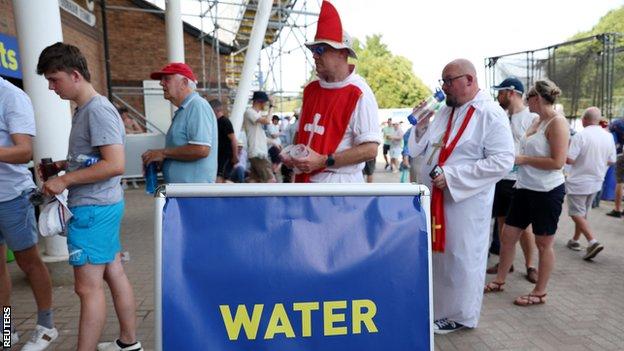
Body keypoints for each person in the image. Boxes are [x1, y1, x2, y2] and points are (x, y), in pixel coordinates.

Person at [36, 42, 142, 351]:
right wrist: (64, 167)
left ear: (74, 74)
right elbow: (97, 159)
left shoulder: (97, 110)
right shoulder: (87, 109)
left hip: (93, 209)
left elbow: (115, 164)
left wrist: (65, 179)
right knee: (112, 272)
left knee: (86, 288)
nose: (51, 87)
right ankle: (128, 343)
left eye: (54, 79)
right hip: (102, 205)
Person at [407, 58, 514, 333]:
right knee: (438, 256)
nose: (444, 87)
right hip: (435, 197)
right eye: (442, 80)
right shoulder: (445, 111)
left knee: (461, 256)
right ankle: (438, 308)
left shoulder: (490, 113)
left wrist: (453, 176)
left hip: (464, 201)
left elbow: (503, 160)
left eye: (449, 80)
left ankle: (461, 315)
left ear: (469, 80)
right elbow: (425, 148)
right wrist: (420, 126)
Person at [485, 80, 569, 309]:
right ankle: (500, 279)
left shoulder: (557, 123)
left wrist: (522, 160)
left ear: (536, 99)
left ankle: (540, 292)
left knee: (544, 243)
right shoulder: (536, 120)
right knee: (508, 235)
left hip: (547, 191)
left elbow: (557, 162)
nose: (525, 103)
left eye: (528, 99)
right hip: (524, 187)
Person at [283, 0, 380, 183]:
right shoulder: (311, 89)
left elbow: (370, 149)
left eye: (320, 49)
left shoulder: (359, 93)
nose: (314, 55)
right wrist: (292, 153)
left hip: (339, 189)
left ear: (342, 54)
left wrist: (322, 161)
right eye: (313, 50)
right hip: (303, 182)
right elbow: (301, 133)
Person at [0, 76, 58, 350]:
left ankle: (46, 325)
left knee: (29, 262)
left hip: (12, 197)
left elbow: (25, 152)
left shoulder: (11, 96)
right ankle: (6, 328)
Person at [486, 77, 538, 284]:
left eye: (500, 92)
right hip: (501, 177)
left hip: (520, 179)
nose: (498, 96)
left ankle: (531, 265)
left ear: (511, 92)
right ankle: (505, 263)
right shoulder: (500, 116)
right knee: (502, 223)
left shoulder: (531, 117)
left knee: (524, 227)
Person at [142, 63, 217, 183]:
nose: (161, 83)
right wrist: (164, 160)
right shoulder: (186, 109)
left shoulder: (197, 105)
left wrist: (163, 153)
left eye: (167, 79)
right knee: (158, 197)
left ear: (184, 83)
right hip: (181, 193)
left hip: (192, 195)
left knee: (158, 197)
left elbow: (201, 149)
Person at [565, 107, 616, 260]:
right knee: (583, 213)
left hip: (578, 181)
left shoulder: (581, 135)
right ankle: (574, 240)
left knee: (576, 213)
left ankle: (592, 241)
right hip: (596, 180)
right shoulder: (608, 136)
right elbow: (612, 160)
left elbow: (570, 159)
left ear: (584, 120)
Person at [243, 91, 275, 182]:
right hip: (257, 153)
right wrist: (272, 106)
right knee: (271, 180)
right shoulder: (250, 112)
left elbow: (260, 136)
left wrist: (273, 142)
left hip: (257, 152)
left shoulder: (255, 114)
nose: (265, 104)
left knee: (255, 181)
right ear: (259, 102)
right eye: (265, 102)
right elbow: (268, 121)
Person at [209, 99, 238, 183]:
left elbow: (233, 139)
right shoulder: (215, 122)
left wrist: (235, 156)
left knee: (220, 178)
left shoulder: (225, 122)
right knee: (222, 179)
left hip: (226, 157)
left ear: (216, 110)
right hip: (219, 156)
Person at [606, 118, 624, 217]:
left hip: (621, 154)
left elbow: (608, 132)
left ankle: (617, 209)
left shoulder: (618, 123)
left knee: (620, 182)